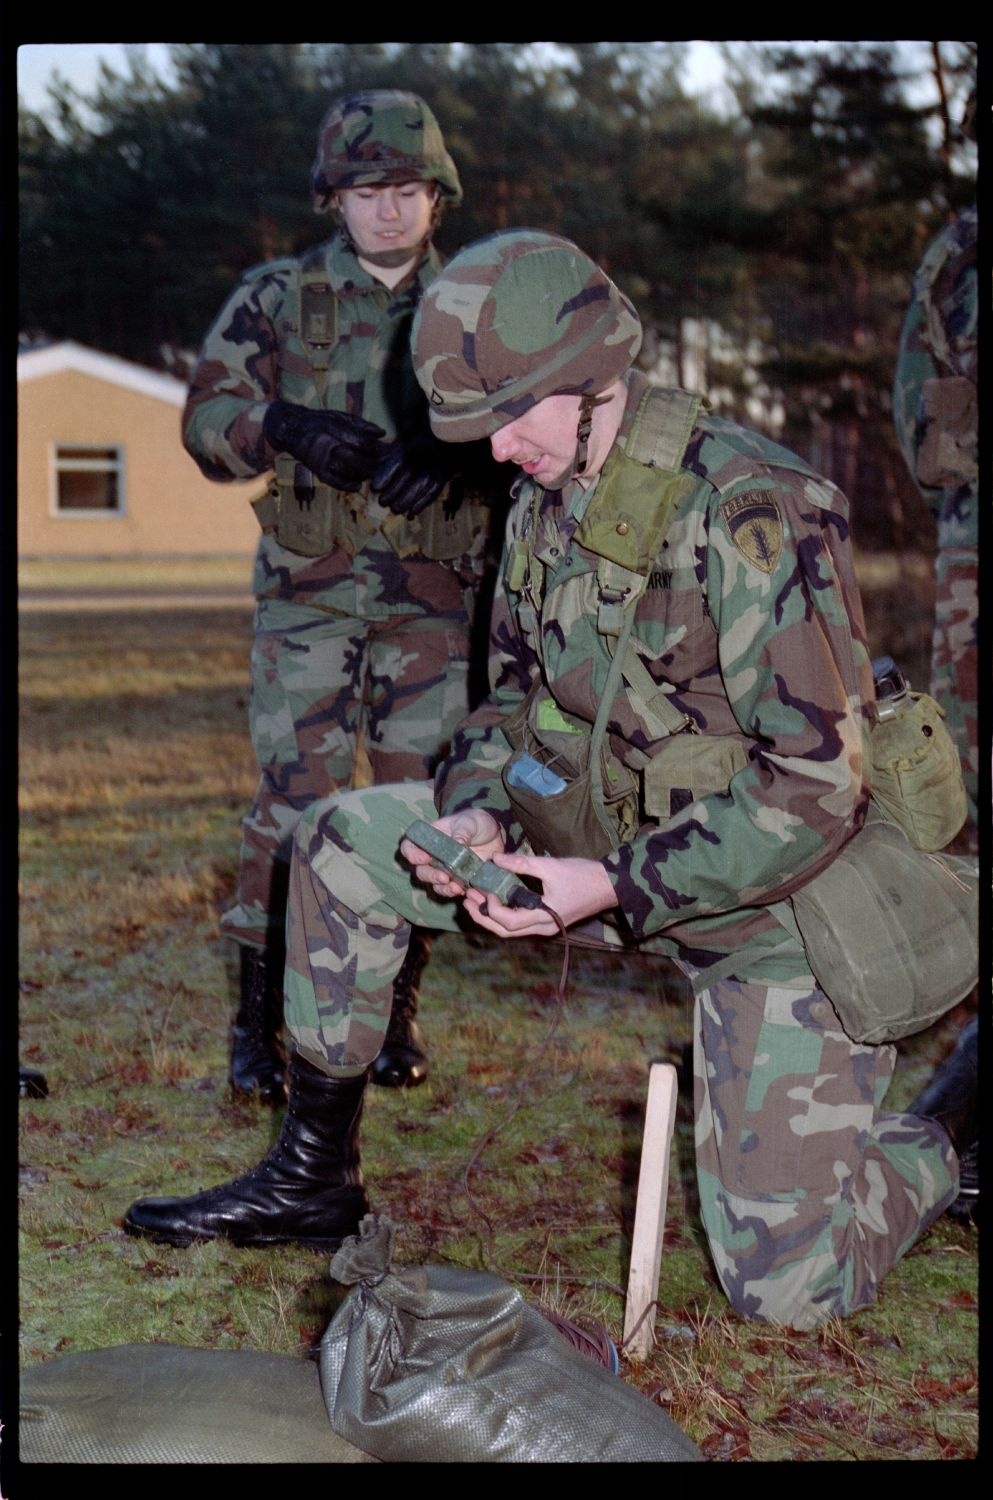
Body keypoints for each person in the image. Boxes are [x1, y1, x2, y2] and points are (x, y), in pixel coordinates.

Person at [126, 230, 976, 1329]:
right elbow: (510, 702)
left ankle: (951, 1127)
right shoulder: (543, 491)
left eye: (511, 415)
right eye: (476, 425)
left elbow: (816, 784)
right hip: (582, 851)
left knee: (788, 1293)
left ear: (596, 373)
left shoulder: (753, 504)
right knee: (340, 839)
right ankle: (312, 1178)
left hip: (772, 908)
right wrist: (481, 809)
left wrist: (613, 884)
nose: (495, 447)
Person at [181, 90, 496, 1100]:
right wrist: (282, 424)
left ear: (436, 197)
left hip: (434, 601)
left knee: (428, 803)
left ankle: (394, 1007)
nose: (388, 210)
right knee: (294, 803)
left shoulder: (482, 303)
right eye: (367, 190)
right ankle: (258, 1023)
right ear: (334, 198)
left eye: (406, 188)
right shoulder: (274, 298)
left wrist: (458, 463)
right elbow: (205, 425)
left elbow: (543, 435)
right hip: (309, 595)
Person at [893, 204, 978, 848]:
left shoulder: (959, 247)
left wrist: (953, 512)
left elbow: (914, 406)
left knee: (970, 767)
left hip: (973, 538)